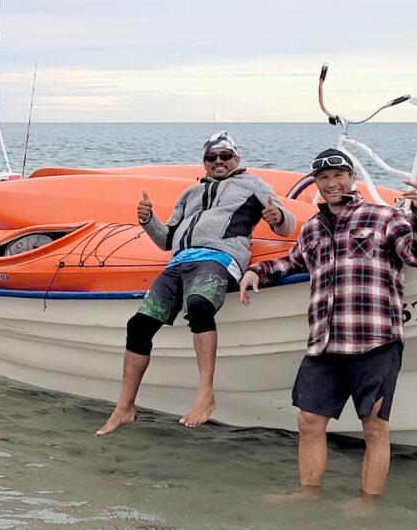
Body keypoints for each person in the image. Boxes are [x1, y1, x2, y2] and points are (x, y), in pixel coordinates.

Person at [239, 148, 417, 501]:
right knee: (309, 422)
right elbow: (291, 262)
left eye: (338, 176)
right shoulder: (313, 228)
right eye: (324, 178)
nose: (332, 183)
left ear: (351, 178)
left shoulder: (384, 216)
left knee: (374, 428)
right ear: (317, 184)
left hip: (374, 341)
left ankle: (368, 503)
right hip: (324, 344)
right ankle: (308, 494)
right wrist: (256, 270)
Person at [96, 131, 296, 436]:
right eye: (211, 157)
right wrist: (148, 220)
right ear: (204, 163)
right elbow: (166, 240)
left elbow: (287, 226)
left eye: (224, 156)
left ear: (236, 159)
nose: (218, 161)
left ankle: (205, 393)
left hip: (219, 258)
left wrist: (277, 215)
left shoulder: (253, 185)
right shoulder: (189, 194)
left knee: (199, 305)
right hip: (178, 262)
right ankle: (125, 407)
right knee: (138, 325)